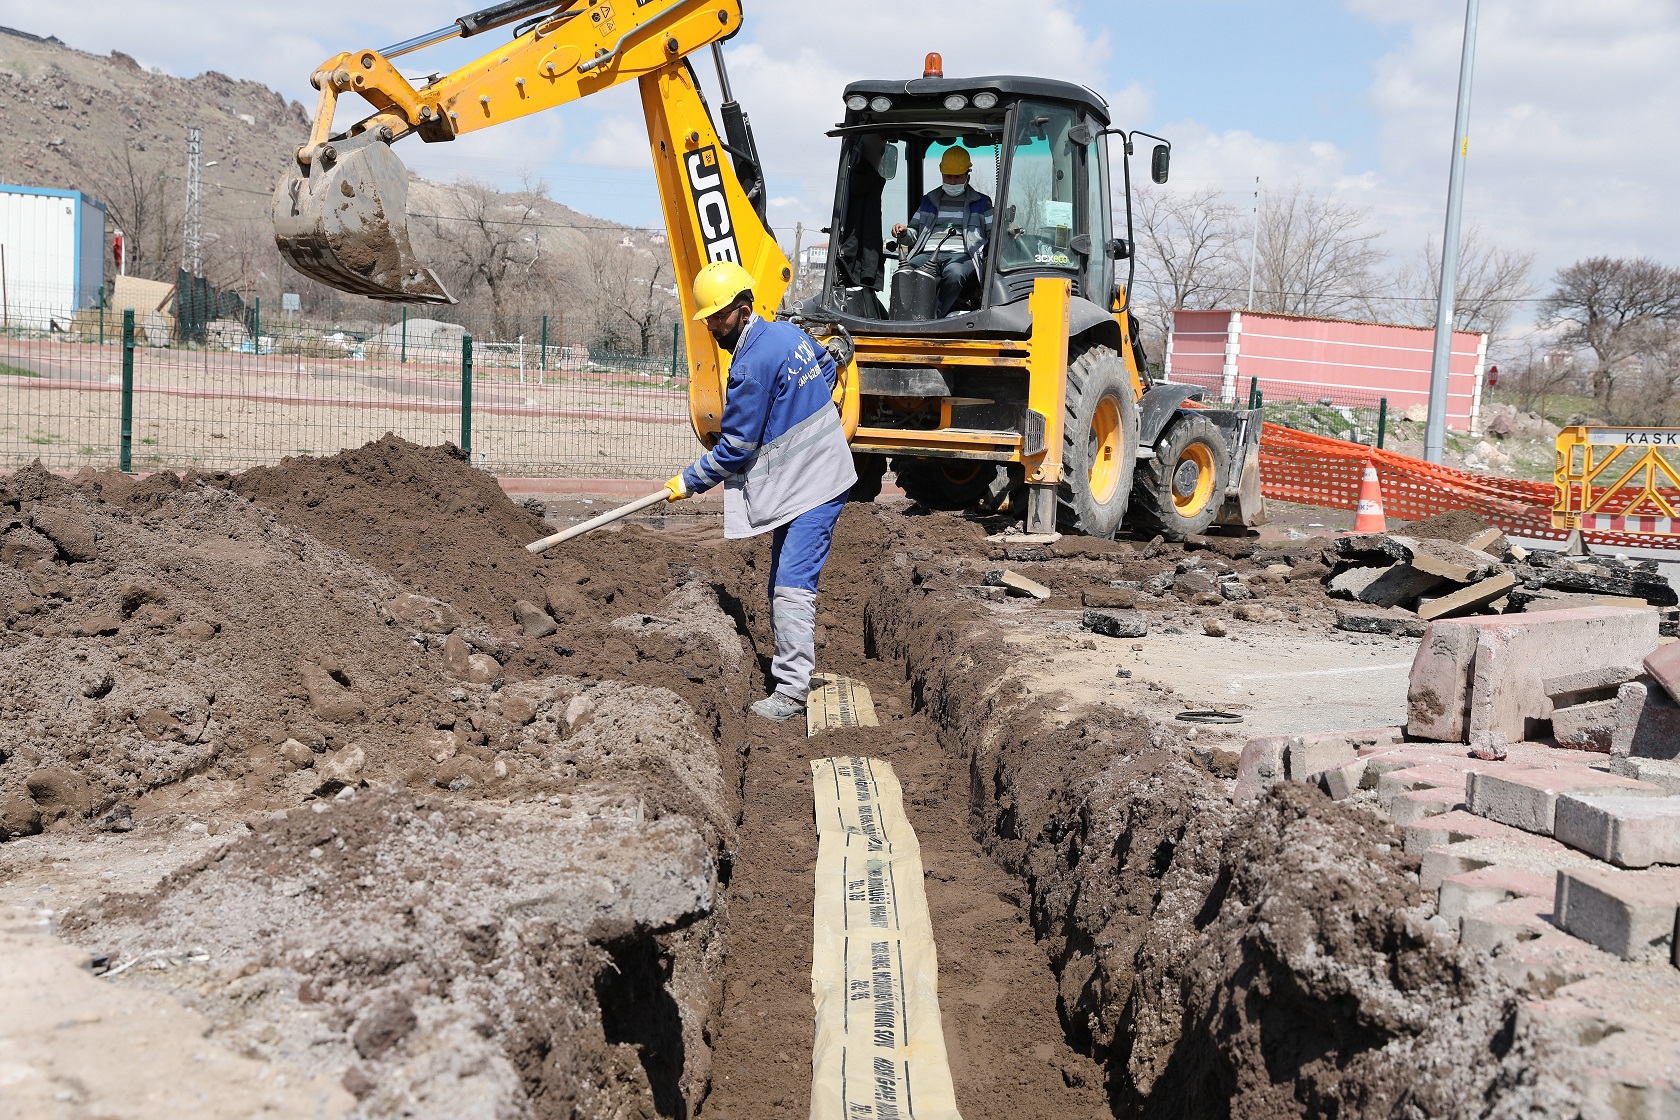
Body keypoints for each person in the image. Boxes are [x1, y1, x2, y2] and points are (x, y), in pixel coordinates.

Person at [664, 261, 858, 722]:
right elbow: (828, 371)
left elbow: (735, 449)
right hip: (805, 479)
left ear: (743, 309)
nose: (711, 326)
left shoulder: (749, 366)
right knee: (779, 579)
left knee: (792, 584)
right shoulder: (788, 335)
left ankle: (791, 692)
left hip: (818, 484)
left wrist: (688, 481)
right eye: (707, 318)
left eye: (718, 317)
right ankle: (788, 669)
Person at [892, 146, 993, 317]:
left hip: (963, 256)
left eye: (957, 177)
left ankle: (935, 315)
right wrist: (903, 232)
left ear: (967, 176)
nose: (952, 182)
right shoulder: (929, 201)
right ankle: (901, 316)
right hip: (930, 253)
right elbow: (914, 233)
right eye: (948, 177)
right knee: (906, 271)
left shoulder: (982, 203)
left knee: (955, 273)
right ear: (942, 175)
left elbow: (993, 234)